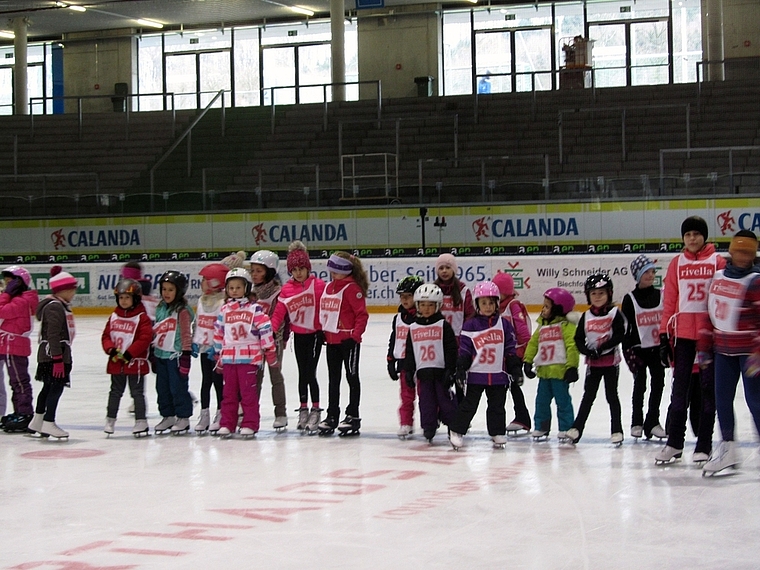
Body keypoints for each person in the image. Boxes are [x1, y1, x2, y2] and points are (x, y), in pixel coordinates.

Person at [656, 216, 725, 465]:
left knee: (708, 390)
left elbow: (724, 298)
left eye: (696, 233)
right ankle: (675, 443)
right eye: (688, 235)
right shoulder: (677, 263)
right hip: (682, 337)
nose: (692, 238)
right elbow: (670, 301)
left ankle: (703, 445)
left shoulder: (718, 261)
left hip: (708, 337)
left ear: (704, 236)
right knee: (679, 390)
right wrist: (664, 334)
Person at [701, 231, 760, 475]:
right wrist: (704, 347)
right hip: (722, 352)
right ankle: (728, 449)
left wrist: (757, 351)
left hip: (749, 354)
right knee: (722, 400)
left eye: (748, 253)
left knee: (755, 402)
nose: (743, 257)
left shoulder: (756, 281)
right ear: (732, 251)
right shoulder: (716, 277)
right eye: (740, 251)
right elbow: (708, 313)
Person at [449, 281, 522, 450]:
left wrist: (515, 368)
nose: (488, 307)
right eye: (483, 303)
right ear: (477, 304)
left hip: (498, 375)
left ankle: (497, 432)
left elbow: (510, 350)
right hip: (476, 374)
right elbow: (465, 350)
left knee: (497, 406)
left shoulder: (504, 325)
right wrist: (461, 369)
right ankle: (456, 430)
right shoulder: (471, 325)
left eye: (491, 302)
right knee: (469, 406)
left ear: (497, 303)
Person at [214, 268, 279, 438]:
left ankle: (250, 423)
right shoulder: (224, 310)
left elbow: (265, 328)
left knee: (248, 394)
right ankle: (227, 423)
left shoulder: (254, 309)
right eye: (231, 288)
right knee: (228, 394)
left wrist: (269, 351)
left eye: (238, 287)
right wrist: (217, 354)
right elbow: (219, 332)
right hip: (229, 358)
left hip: (249, 358)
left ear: (246, 288)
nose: (234, 291)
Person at [271, 241, 325, 435]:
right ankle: (303, 408)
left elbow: (327, 308)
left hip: (315, 336)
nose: (299, 273)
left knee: (311, 372)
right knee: (303, 373)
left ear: (308, 268)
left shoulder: (318, 286)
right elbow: (279, 313)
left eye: (302, 268)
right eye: (295, 269)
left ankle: (316, 409)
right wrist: (271, 331)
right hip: (299, 337)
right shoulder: (287, 289)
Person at [567, 274, 625, 445]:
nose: (597, 297)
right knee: (588, 396)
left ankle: (617, 429)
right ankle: (577, 428)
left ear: (609, 294)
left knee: (612, 396)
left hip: (610, 363)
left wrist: (602, 349)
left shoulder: (615, 313)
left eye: (601, 293)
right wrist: (587, 351)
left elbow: (620, 335)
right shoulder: (586, 316)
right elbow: (578, 339)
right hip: (593, 364)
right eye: (593, 293)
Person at [317, 252, 369, 436]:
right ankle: (332, 415)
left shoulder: (352, 288)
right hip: (331, 341)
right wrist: (323, 331)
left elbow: (361, 315)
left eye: (337, 271)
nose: (333, 275)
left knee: (352, 377)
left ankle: (353, 415)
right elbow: (326, 312)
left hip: (348, 342)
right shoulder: (329, 287)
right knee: (333, 380)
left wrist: (354, 337)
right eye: (332, 271)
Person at [403, 283, 458, 444]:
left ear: (438, 305)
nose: (426, 308)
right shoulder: (413, 327)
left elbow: (451, 349)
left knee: (445, 401)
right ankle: (429, 426)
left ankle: (453, 425)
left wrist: (450, 369)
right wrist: (408, 370)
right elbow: (410, 351)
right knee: (426, 402)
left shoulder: (443, 325)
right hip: (423, 373)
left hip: (441, 373)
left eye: (431, 305)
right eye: (423, 305)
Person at [522, 287, 578, 441]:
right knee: (541, 402)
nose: (543, 309)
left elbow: (572, 347)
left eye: (547, 306)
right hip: (544, 373)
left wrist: (572, 367)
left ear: (558, 309)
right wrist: (527, 361)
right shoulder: (542, 326)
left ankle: (566, 427)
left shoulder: (566, 327)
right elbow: (533, 344)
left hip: (560, 373)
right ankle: (541, 426)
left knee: (563, 402)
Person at [621, 254, 667, 440]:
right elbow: (626, 328)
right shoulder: (629, 299)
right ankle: (636, 422)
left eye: (652, 271)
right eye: (646, 272)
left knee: (658, 385)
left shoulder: (661, 295)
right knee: (639, 386)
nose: (651, 275)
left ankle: (653, 422)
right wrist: (628, 351)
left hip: (658, 349)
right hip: (639, 350)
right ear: (638, 275)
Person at [29, 266, 78, 440]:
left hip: (52, 354)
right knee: (55, 387)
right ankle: (49, 421)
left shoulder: (57, 305)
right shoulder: (55, 307)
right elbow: (53, 334)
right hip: (54, 355)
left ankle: (38, 420)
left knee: (48, 386)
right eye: (71, 290)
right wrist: (58, 359)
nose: (73, 294)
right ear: (62, 290)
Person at [101, 278, 153, 437]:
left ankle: (141, 421)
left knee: (137, 393)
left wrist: (130, 354)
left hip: (135, 364)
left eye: (127, 297)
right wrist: (111, 350)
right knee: (115, 392)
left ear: (135, 298)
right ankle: (110, 419)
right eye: (121, 298)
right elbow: (106, 336)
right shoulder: (114, 316)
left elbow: (145, 339)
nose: (123, 301)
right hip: (116, 363)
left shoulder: (142, 317)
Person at [152, 270, 196, 436]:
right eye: (164, 289)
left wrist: (185, 356)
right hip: (161, 354)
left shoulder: (182, 311)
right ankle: (167, 415)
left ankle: (183, 417)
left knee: (177, 387)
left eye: (170, 289)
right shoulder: (160, 308)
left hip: (176, 356)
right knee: (162, 388)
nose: (166, 293)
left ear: (179, 291)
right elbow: (156, 331)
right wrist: (153, 353)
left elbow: (186, 334)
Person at [249, 250, 288, 431]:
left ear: (270, 271)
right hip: (253, 342)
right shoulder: (249, 292)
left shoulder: (277, 292)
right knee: (254, 377)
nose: (254, 274)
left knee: (275, 376)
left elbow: (280, 318)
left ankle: (280, 413)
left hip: (273, 341)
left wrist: (275, 337)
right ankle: (251, 413)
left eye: (259, 271)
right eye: (253, 270)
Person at [0, 266, 39, 433]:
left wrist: (6, 294)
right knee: (15, 381)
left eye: (10, 283)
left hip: (14, 345)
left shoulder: (21, 301)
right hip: (9, 344)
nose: (6, 286)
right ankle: (20, 411)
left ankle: (25, 413)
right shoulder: (21, 299)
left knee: (19, 381)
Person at [492, 270, 532, 434]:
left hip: (515, 354)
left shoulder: (513, 305)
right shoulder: (497, 307)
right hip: (502, 354)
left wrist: (521, 353)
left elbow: (523, 332)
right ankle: (520, 418)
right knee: (508, 386)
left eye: (499, 292)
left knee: (512, 385)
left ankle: (522, 418)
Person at [386, 275, 424, 439]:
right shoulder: (398, 318)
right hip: (403, 363)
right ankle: (406, 423)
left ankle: (431, 420)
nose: (405, 300)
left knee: (425, 395)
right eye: (402, 297)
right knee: (406, 396)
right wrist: (390, 360)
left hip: (421, 363)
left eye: (408, 296)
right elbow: (394, 339)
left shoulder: (423, 318)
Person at [193, 263, 229, 434]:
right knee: (205, 381)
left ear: (215, 282)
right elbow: (198, 322)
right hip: (203, 348)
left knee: (218, 382)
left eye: (206, 280)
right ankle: (204, 413)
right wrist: (195, 340)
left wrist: (218, 346)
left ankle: (221, 413)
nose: (202, 283)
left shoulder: (223, 302)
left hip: (217, 351)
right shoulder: (201, 300)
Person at [434, 253, 474, 403]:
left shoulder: (463, 291)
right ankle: (440, 411)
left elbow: (470, 315)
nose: (444, 271)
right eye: (441, 268)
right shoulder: (433, 290)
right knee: (440, 379)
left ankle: (460, 413)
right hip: (438, 341)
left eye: (448, 267)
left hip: (458, 341)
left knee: (459, 379)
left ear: (454, 270)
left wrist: (466, 338)